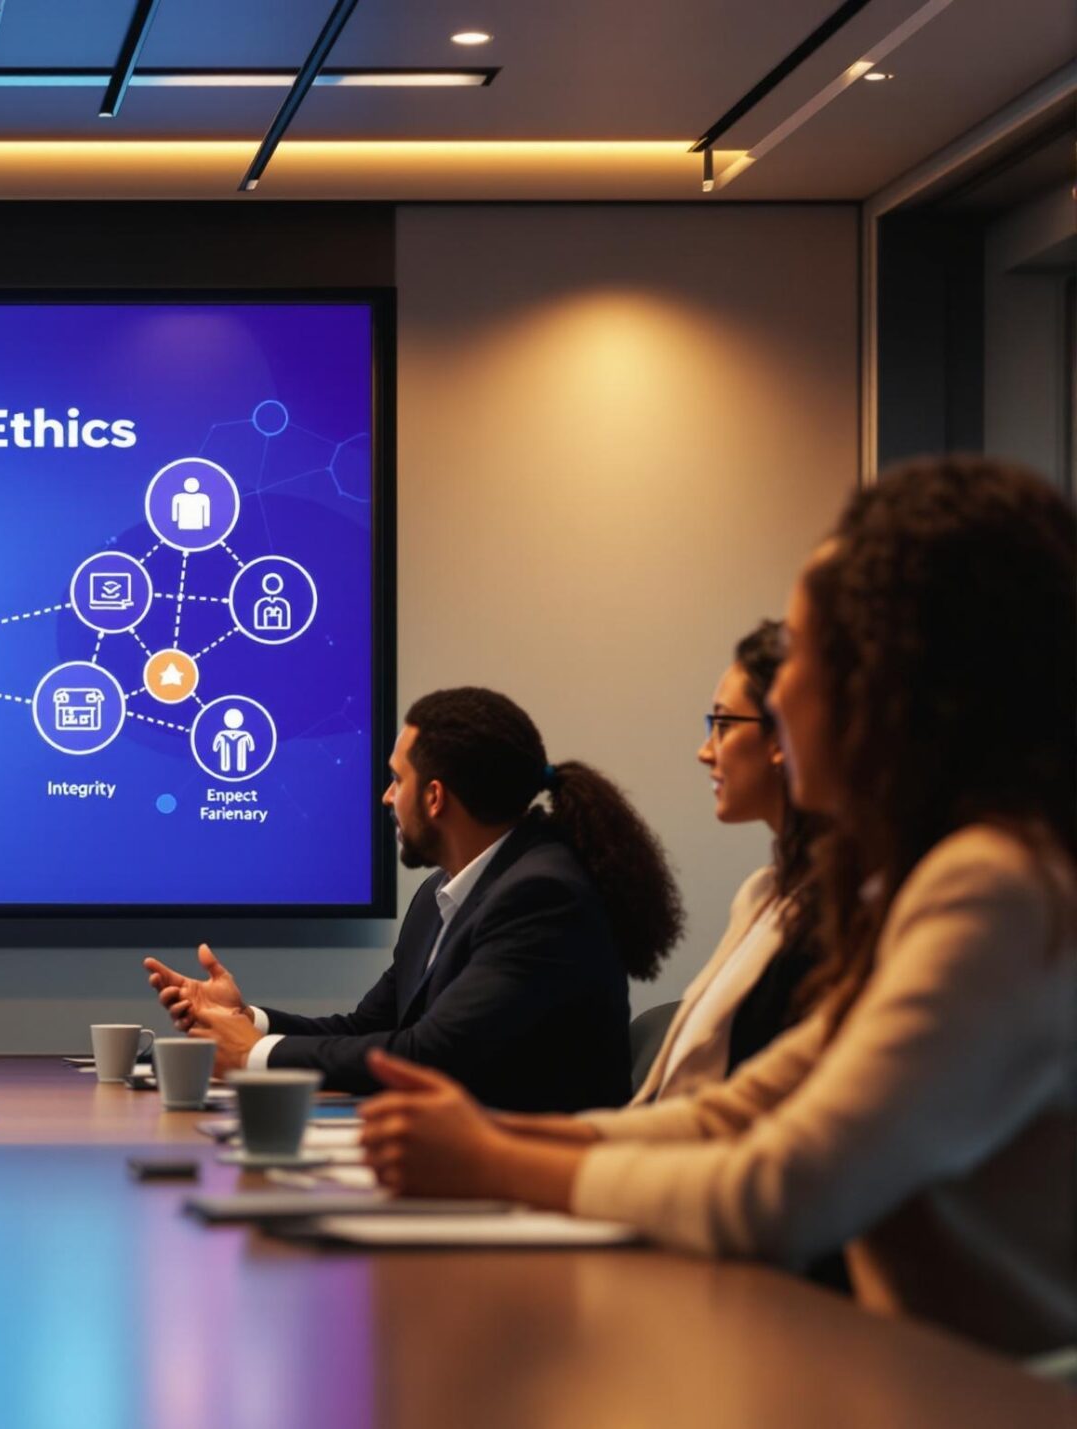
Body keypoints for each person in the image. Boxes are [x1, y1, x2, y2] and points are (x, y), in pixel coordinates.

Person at [357, 457, 1075, 1358]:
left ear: (888, 682)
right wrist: (489, 1136)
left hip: (968, 1395)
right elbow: (735, 1114)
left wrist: (493, 1161)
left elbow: (780, 1190)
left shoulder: (993, 889)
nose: (778, 695)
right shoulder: (930, 882)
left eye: (801, 654)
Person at [146, 687, 682, 1112]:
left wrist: (252, 1052)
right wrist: (247, 1019)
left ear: (434, 797)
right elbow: (371, 1029)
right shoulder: (443, 894)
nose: (386, 797)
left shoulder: (542, 896)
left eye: (396, 779)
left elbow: (433, 1055)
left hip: (532, 1184)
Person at [626, 620, 822, 1103]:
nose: (704, 751)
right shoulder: (764, 892)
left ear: (783, 735)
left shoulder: (833, 913)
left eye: (724, 724)